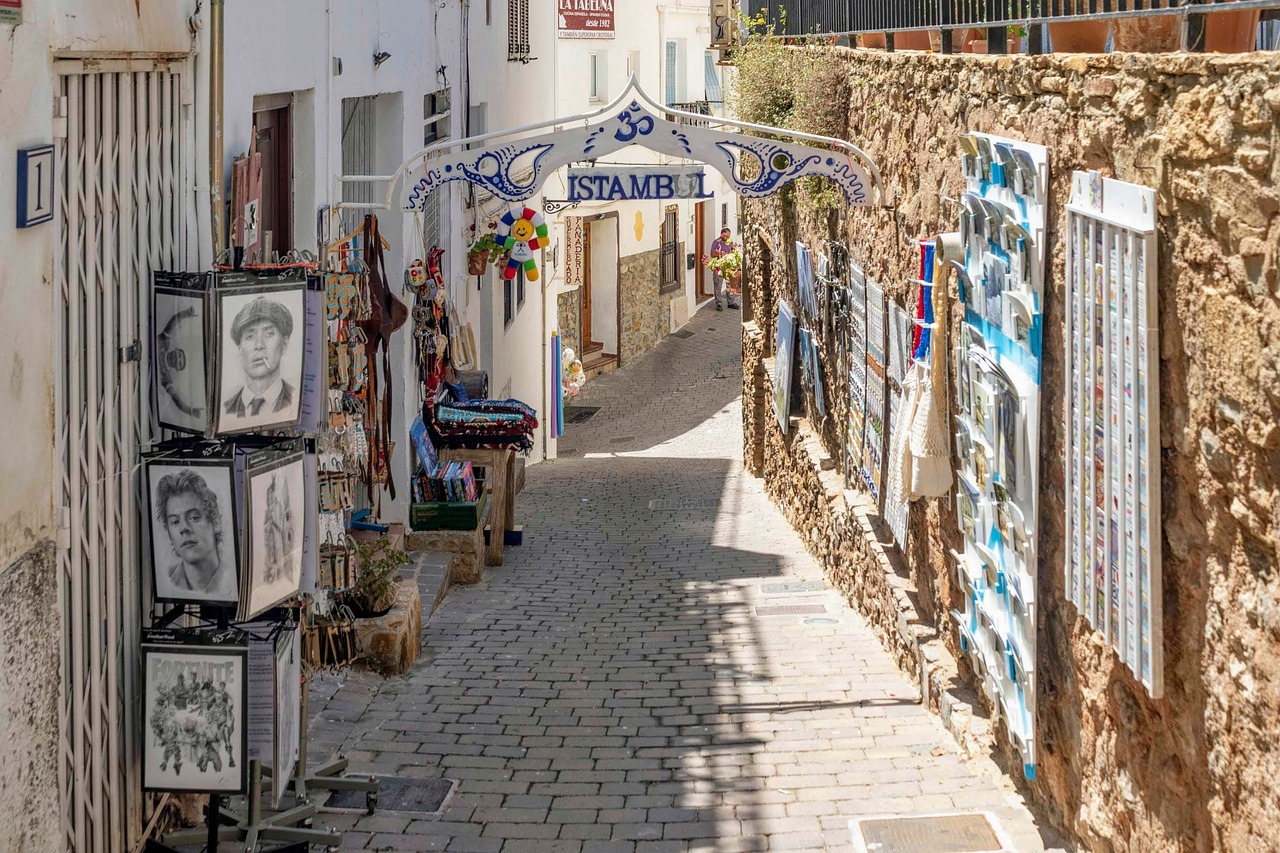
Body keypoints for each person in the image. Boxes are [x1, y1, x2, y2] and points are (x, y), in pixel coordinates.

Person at [155, 470, 236, 600]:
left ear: (215, 521)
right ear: (169, 533)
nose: (184, 528)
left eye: (194, 517)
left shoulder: (235, 579)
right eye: (175, 522)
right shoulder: (168, 583)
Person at [223, 296, 294, 419]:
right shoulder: (226, 409)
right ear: (240, 349)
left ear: (284, 344)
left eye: (269, 334)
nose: (259, 345)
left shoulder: (296, 400)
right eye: (250, 336)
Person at [709, 227, 740, 311]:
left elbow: (733, 251)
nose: (728, 238)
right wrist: (721, 254)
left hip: (729, 267)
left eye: (729, 236)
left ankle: (731, 302)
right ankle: (718, 303)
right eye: (727, 236)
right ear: (722, 234)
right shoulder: (716, 242)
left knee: (730, 284)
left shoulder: (730, 242)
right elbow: (712, 254)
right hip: (719, 267)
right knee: (718, 285)